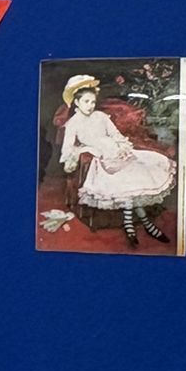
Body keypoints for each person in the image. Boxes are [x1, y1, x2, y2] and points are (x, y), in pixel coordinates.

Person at [59, 73, 174, 245]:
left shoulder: (100, 116)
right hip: (103, 160)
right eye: (86, 101)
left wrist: (122, 147)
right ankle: (142, 224)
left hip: (117, 152)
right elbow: (68, 148)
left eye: (92, 102)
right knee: (125, 185)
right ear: (77, 102)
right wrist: (84, 151)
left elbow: (115, 134)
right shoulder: (73, 124)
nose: (90, 106)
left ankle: (137, 224)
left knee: (136, 179)